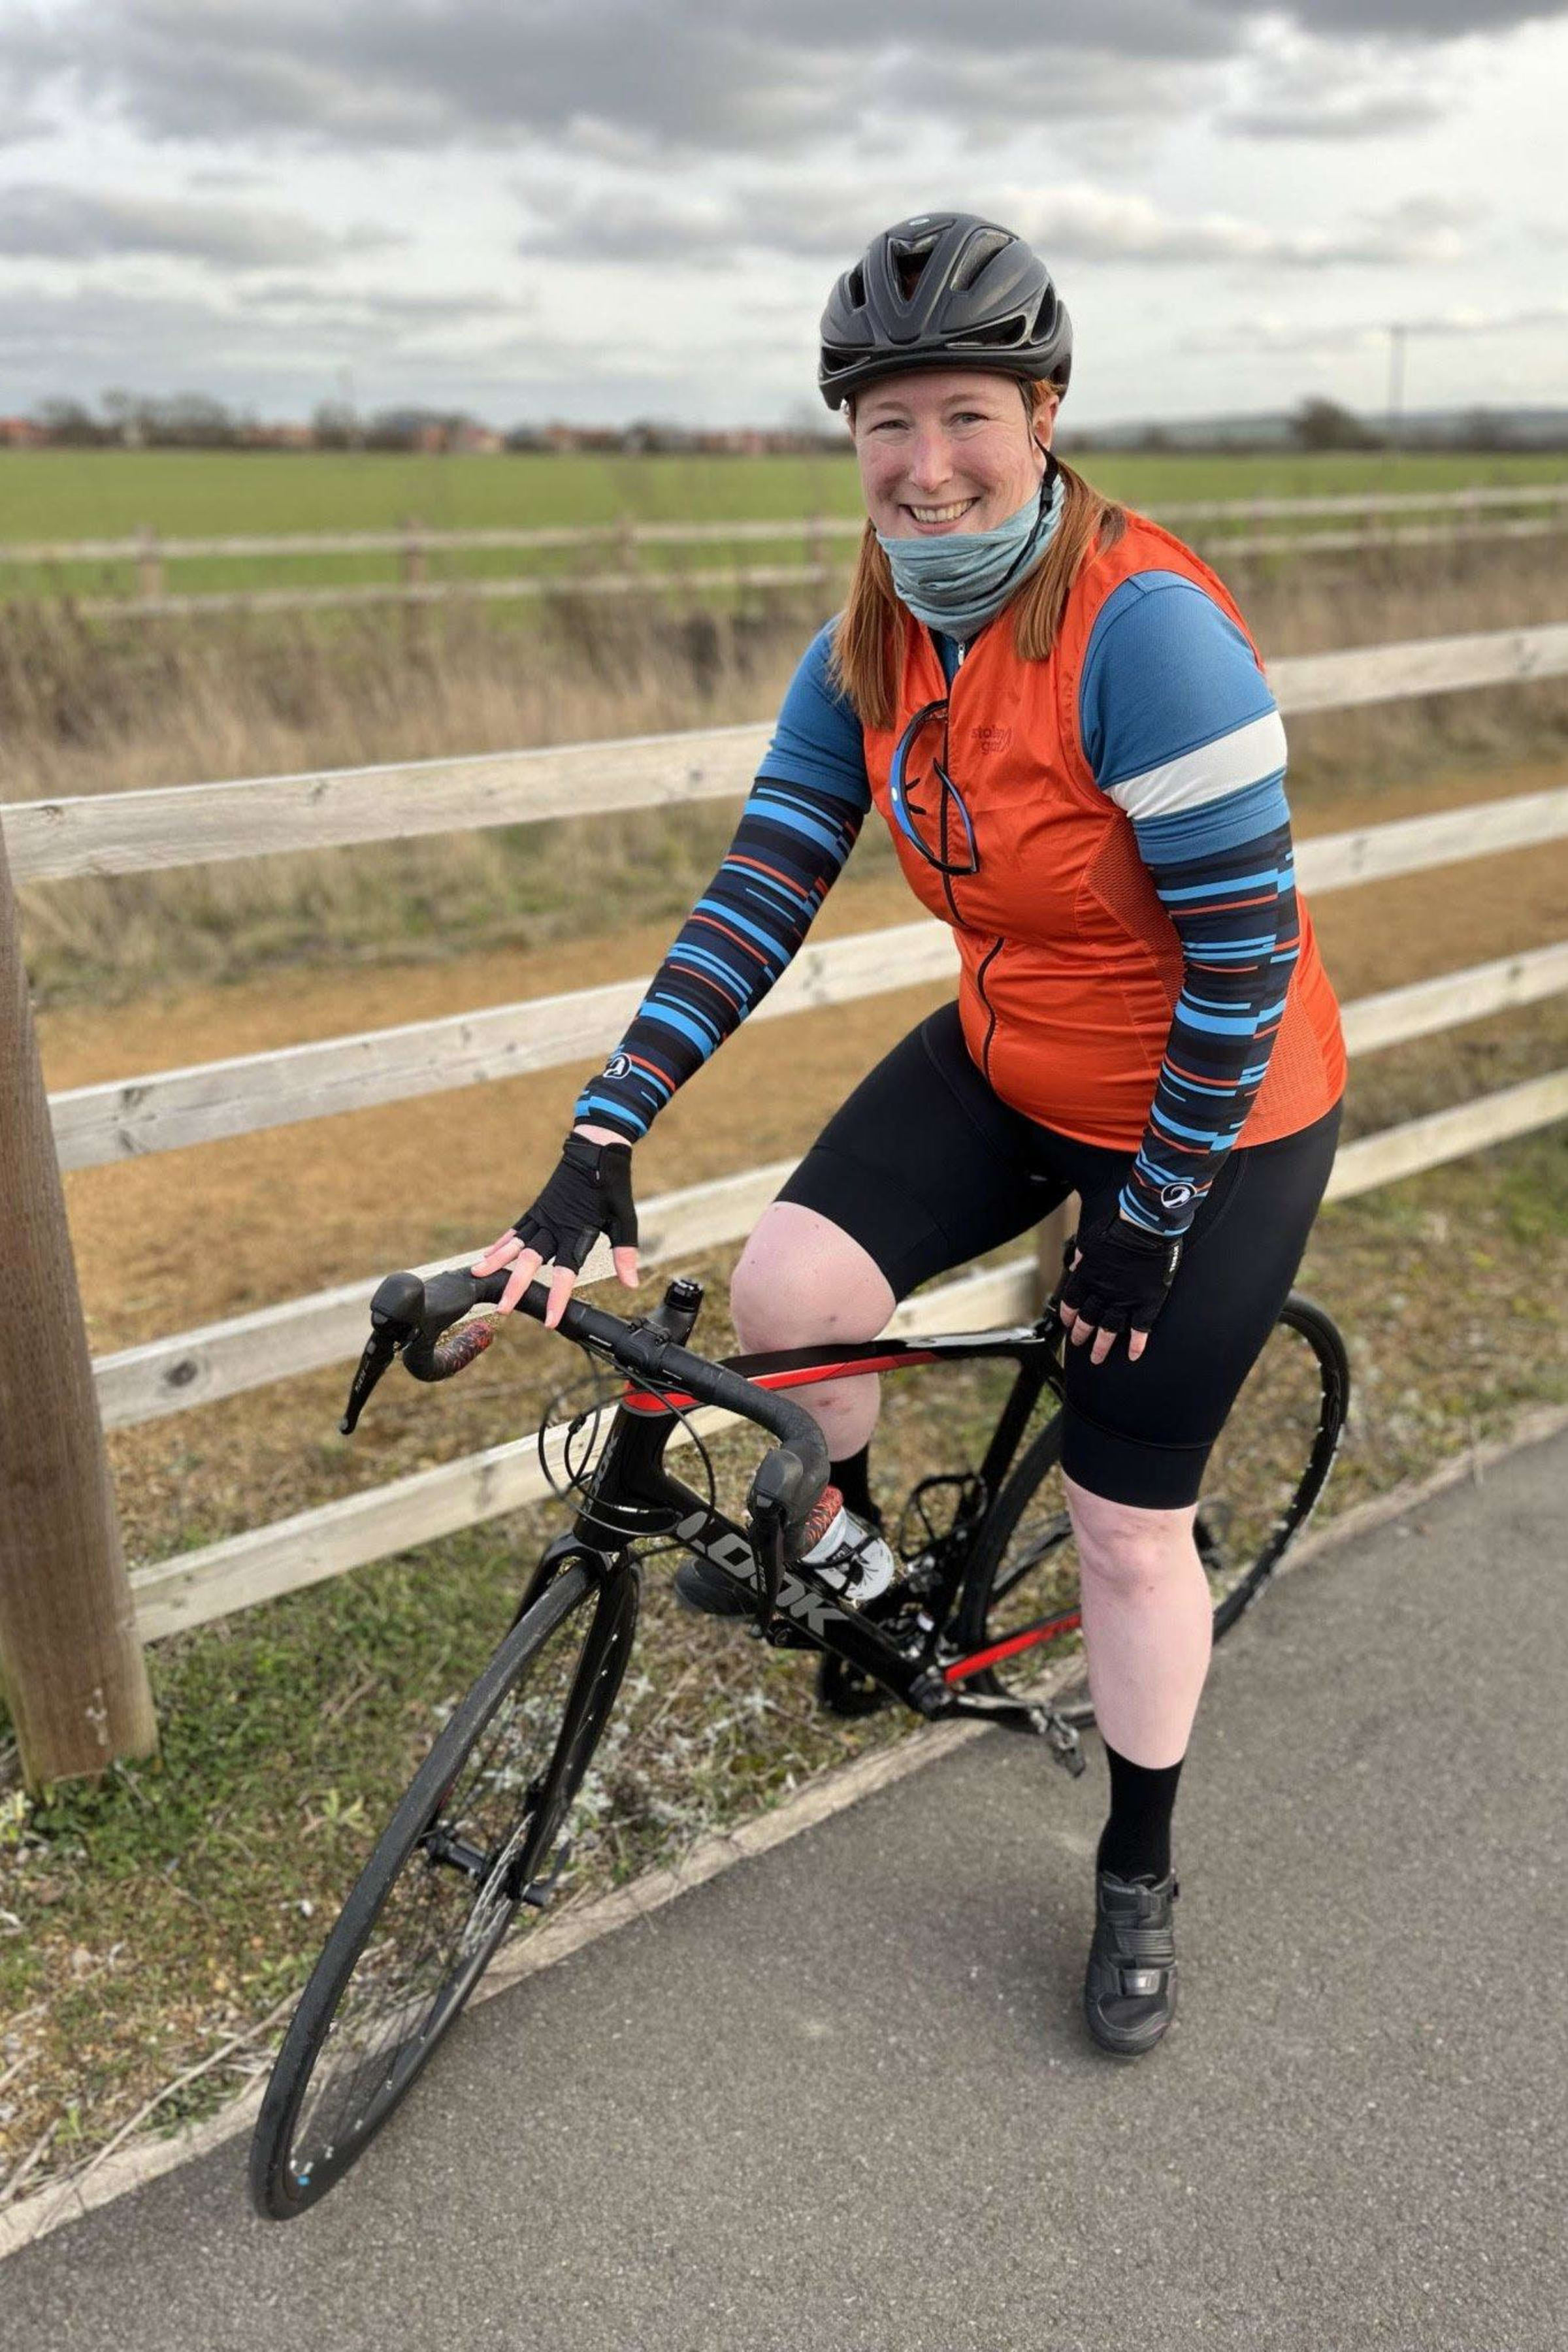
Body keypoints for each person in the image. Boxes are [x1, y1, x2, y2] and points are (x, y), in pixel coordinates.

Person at [473, 214, 1346, 2058]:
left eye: (965, 415)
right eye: (886, 424)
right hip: (1015, 1049)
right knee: (793, 1287)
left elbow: (1248, 960)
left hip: (1219, 1103)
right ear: (849, 439)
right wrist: (599, 1136)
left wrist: (1150, 1218)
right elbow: (759, 891)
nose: (925, 463)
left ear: (1042, 413)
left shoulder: (1149, 638)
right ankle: (858, 1579)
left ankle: (1137, 1864)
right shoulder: (868, 640)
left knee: (1124, 1531)